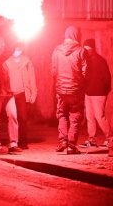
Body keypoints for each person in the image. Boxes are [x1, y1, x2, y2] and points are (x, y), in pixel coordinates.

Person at [51, 26, 87, 154]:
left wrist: (59, 84)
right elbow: (85, 72)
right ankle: (71, 146)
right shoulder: (81, 51)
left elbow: (53, 71)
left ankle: (62, 142)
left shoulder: (57, 50)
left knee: (62, 115)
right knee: (75, 117)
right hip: (76, 90)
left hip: (61, 91)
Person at [78, 39, 112, 153]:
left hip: (98, 94)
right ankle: (92, 140)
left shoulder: (100, 61)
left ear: (92, 48)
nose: (86, 51)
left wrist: (105, 90)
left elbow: (107, 77)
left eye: (88, 48)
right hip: (88, 93)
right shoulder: (86, 61)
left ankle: (110, 139)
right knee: (90, 118)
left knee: (99, 117)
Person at [3, 42, 38, 150]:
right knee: (12, 117)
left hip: (22, 92)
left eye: (19, 49)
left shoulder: (26, 62)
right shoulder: (6, 62)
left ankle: (23, 141)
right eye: (16, 48)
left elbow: (32, 78)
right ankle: (13, 142)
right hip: (10, 93)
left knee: (23, 117)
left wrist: (33, 93)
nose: (17, 51)